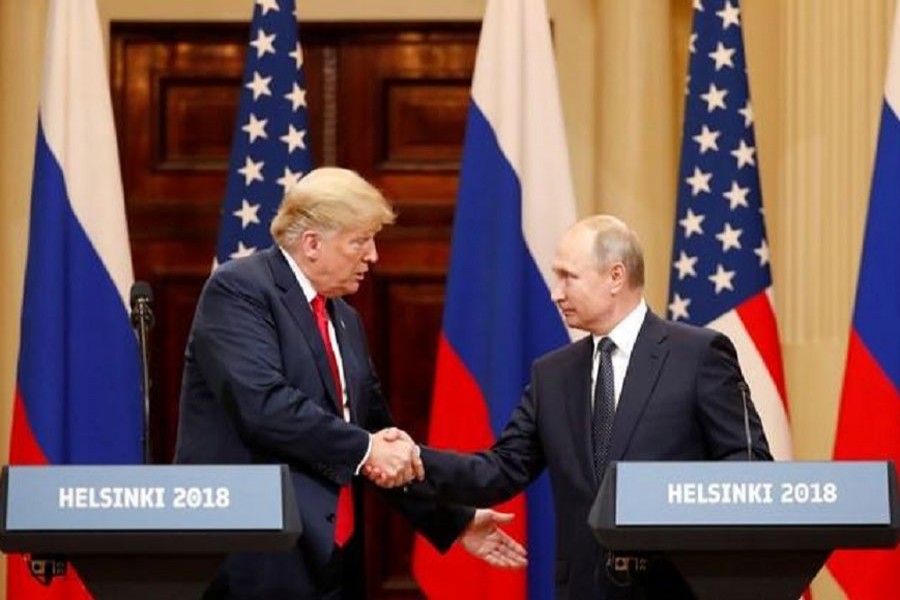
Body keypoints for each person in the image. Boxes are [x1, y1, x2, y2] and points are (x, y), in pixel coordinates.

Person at [175, 167, 526, 599]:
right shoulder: (240, 290)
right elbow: (264, 406)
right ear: (312, 244)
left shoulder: (344, 318)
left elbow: (375, 436)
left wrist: (452, 520)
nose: (374, 255)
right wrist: (368, 448)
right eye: (360, 241)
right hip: (257, 557)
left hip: (332, 558)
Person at [388, 214, 772, 599]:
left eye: (568, 277)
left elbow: (748, 464)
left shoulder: (697, 355)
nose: (555, 292)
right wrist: (413, 457)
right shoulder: (552, 375)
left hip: (678, 588)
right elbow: (498, 470)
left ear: (615, 276)